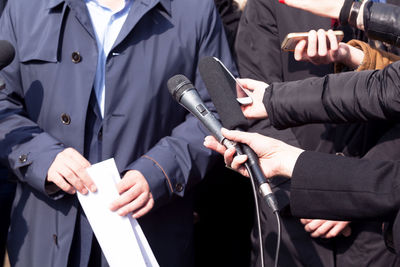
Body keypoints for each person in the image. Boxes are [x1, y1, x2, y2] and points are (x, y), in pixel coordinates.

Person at [0, 0, 236, 266]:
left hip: (149, 231)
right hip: (46, 236)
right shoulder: (25, 7)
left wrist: (160, 171)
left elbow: (216, 109)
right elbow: (3, 102)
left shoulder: (194, 9)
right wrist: (42, 156)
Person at [234, 0, 398, 265]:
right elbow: (251, 103)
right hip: (290, 215)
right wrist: (314, 189)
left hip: (377, 223)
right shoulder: (269, 5)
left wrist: (351, 189)